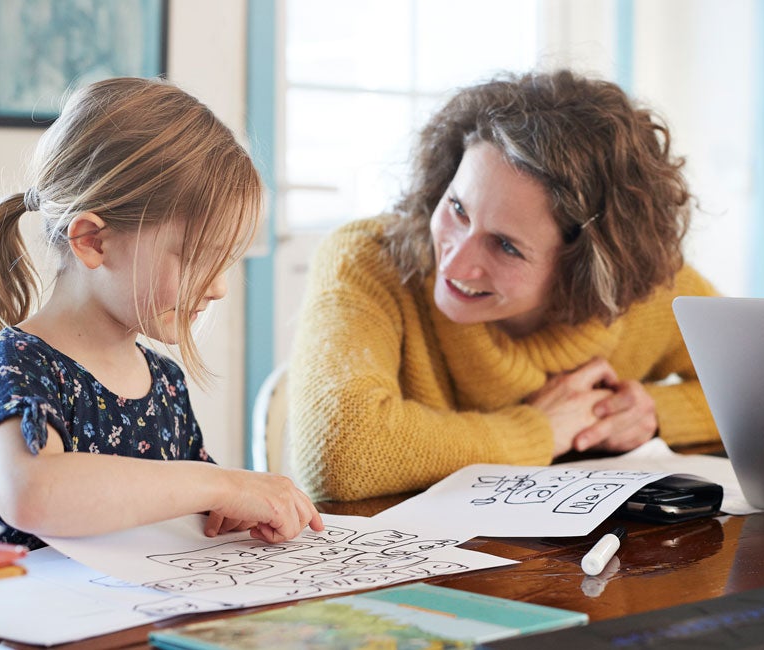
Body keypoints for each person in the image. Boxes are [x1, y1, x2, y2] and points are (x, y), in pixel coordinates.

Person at [289, 70, 721, 501]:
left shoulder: (645, 289)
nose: (453, 262)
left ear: (585, 269)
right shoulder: (367, 258)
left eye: (506, 246)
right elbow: (336, 454)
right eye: (458, 208)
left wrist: (651, 411)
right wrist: (539, 430)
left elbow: (759, 393)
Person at [0, 77, 323, 549]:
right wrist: (221, 484)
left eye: (225, 264)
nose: (219, 288)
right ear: (92, 241)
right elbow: (33, 494)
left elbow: (194, 509)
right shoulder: (16, 362)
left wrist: (234, 509)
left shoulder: (166, 383)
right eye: (197, 258)